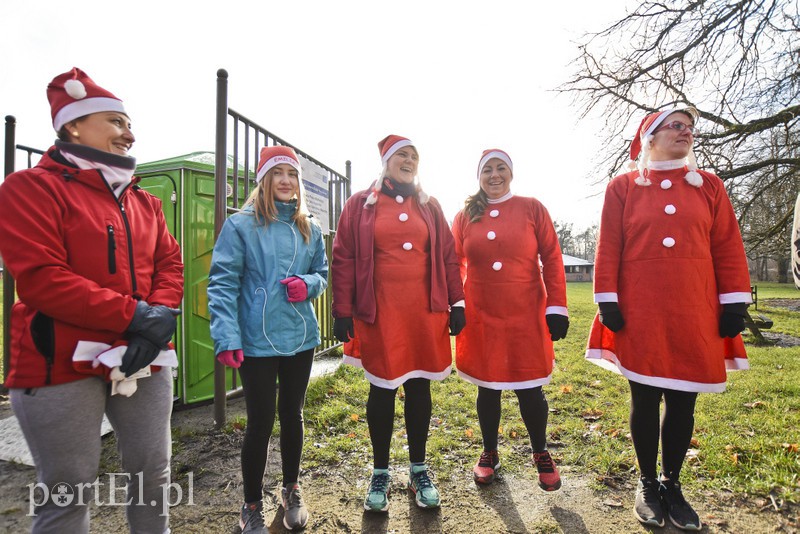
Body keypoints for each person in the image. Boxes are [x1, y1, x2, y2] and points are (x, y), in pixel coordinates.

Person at [0, 68, 183, 533]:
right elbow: (42, 279)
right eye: (116, 122)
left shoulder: (146, 201)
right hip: (58, 364)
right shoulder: (29, 189)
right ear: (73, 125)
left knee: (153, 478)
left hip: (145, 358)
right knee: (67, 490)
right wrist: (140, 316)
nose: (129, 133)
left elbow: (171, 265)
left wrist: (159, 319)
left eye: (128, 123)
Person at [586, 106, 751, 531]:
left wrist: (734, 303)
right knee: (644, 396)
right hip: (639, 310)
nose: (686, 132)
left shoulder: (709, 186)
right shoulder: (623, 187)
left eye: (689, 127)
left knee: (683, 399)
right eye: (675, 126)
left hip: (695, 310)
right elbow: (609, 247)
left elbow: (728, 246)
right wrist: (607, 300)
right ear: (650, 137)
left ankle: (671, 484)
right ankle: (645, 483)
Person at [330, 135, 466, 512]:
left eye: (414, 156)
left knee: (420, 389)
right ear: (386, 162)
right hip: (380, 312)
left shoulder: (430, 205)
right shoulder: (360, 204)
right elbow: (342, 256)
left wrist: (457, 301)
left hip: (424, 311)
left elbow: (448, 255)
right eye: (401, 155)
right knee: (382, 390)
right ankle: (380, 472)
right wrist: (342, 310)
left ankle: (419, 469)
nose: (408, 160)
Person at [208, 145, 328, 533]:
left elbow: (322, 273)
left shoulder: (309, 227)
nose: (285, 181)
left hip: (300, 337)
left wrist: (307, 285)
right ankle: (251, 504)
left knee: (292, 415)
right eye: (277, 173)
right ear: (264, 179)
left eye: (291, 174)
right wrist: (226, 336)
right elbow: (222, 283)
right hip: (256, 340)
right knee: (259, 422)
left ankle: (291, 488)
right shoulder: (241, 225)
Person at [452, 149, 568, 490]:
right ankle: (489, 451)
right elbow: (452, 262)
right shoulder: (464, 216)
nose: (494, 174)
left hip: (526, 312)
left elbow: (552, 255)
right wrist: (455, 303)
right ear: (479, 176)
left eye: (501, 167)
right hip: (481, 313)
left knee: (530, 387)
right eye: (487, 169)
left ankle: (540, 451)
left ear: (511, 173)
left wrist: (557, 305)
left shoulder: (532, 208)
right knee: (488, 387)